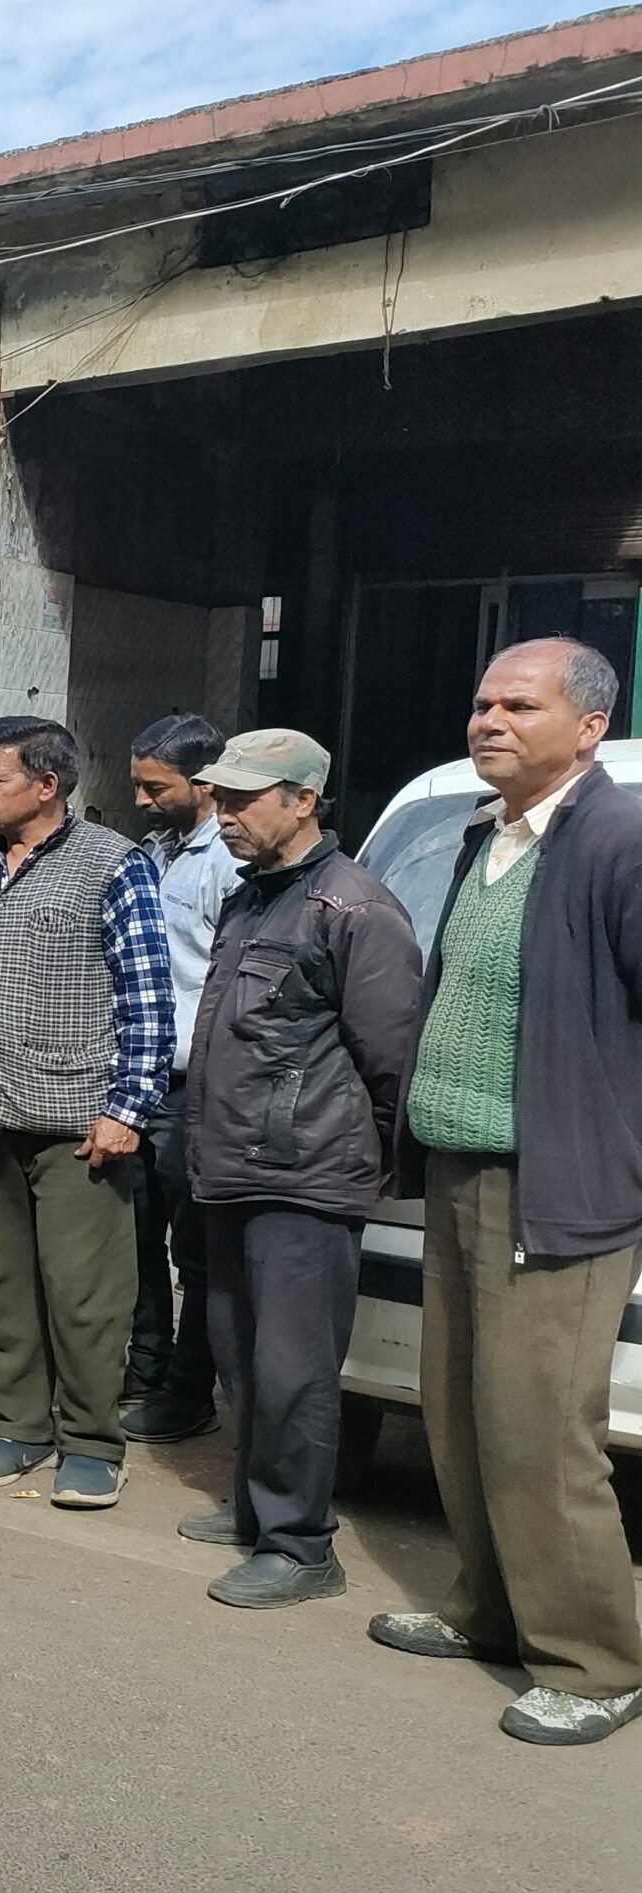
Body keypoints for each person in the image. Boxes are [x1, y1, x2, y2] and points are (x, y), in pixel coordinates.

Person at [372, 638, 642, 1746]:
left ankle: (594, 1661)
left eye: (519, 705)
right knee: (458, 1408)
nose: (488, 719)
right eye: (483, 701)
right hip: (458, 1169)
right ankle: (487, 1607)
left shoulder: (618, 841)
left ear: (588, 728)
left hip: (553, 1185)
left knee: (539, 1428)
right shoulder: (486, 836)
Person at [177, 728, 420, 1608]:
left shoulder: (354, 908)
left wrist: (356, 1160)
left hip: (305, 1173)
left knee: (294, 1368)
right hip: (233, 1163)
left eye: (245, 799)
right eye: (222, 797)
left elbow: (391, 1061)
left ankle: (301, 1543)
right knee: (240, 1354)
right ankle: (259, 1506)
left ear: (303, 800)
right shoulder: (254, 897)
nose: (225, 814)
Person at [0, 715, 172, 1510]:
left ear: (47, 785)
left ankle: (90, 1442)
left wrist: (129, 1107)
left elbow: (147, 997)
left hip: (77, 1119)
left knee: (84, 1293)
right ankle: (21, 1426)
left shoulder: (112, 865)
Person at [122, 713, 239, 1445]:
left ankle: (190, 1390)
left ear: (204, 783)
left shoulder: (228, 861)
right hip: (141, 1081)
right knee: (133, 1237)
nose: (141, 799)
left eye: (155, 787)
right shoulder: (155, 852)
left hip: (197, 1089)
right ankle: (145, 1370)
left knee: (195, 1252)